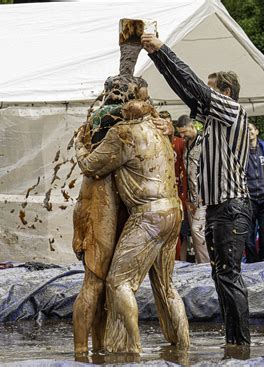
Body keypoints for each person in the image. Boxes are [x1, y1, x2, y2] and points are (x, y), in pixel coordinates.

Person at [141, 34, 252, 345]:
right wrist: (155, 57)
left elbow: (193, 84)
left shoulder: (230, 110)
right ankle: (233, 343)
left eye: (212, 89)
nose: (205, 97)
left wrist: (163, 48)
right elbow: (186, 89)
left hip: (232, 205)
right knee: (220, 276)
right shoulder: (214, 120)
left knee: (228, 275)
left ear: (226, 93)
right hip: (219, 207)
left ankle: (241, 344)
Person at [74, 99, 190, 353]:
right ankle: (183, 344)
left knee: (118, 282)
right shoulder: (160, 129)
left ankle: (132, 347)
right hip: (173, 212)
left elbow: (89, 166)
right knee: (167, 286)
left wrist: (79, 147)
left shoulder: (122, 133)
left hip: (148, 215)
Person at [72, 75, 146, 354]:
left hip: (111, 207)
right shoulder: (109, 117)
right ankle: (81, 350)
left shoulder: (109, 120)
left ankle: (96, 349)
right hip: (100, 208)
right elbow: (91, 168)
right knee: (94, 284)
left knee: (101, 286)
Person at [175, 114, 209, 263]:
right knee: (195, 235)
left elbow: (210, 169)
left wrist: (205, 192)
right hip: (190, 196)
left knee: (198, 230)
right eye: (180, 133)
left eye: (184, 132)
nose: (182, 135)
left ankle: (206, 265)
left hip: (204, 195)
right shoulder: (187, 144)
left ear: (192, 126)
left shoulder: (205, 142)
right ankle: (200, 262)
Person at [159, 110, 189, 261]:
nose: (166, 125)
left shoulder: (179, 142)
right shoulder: (154, 141)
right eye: (162, 121)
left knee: (180, 232)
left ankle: (180, 261)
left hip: (177, 193)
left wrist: (185, 194)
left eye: (168, 122)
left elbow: (186, 167)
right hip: (159, 193)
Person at [245, 123, 264, 262]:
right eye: (246, 130)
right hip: (249, 198)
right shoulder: (241, 151)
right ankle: (252, 261)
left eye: (250, 129)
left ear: (256, 131)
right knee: (248, 233)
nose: (249, 132)